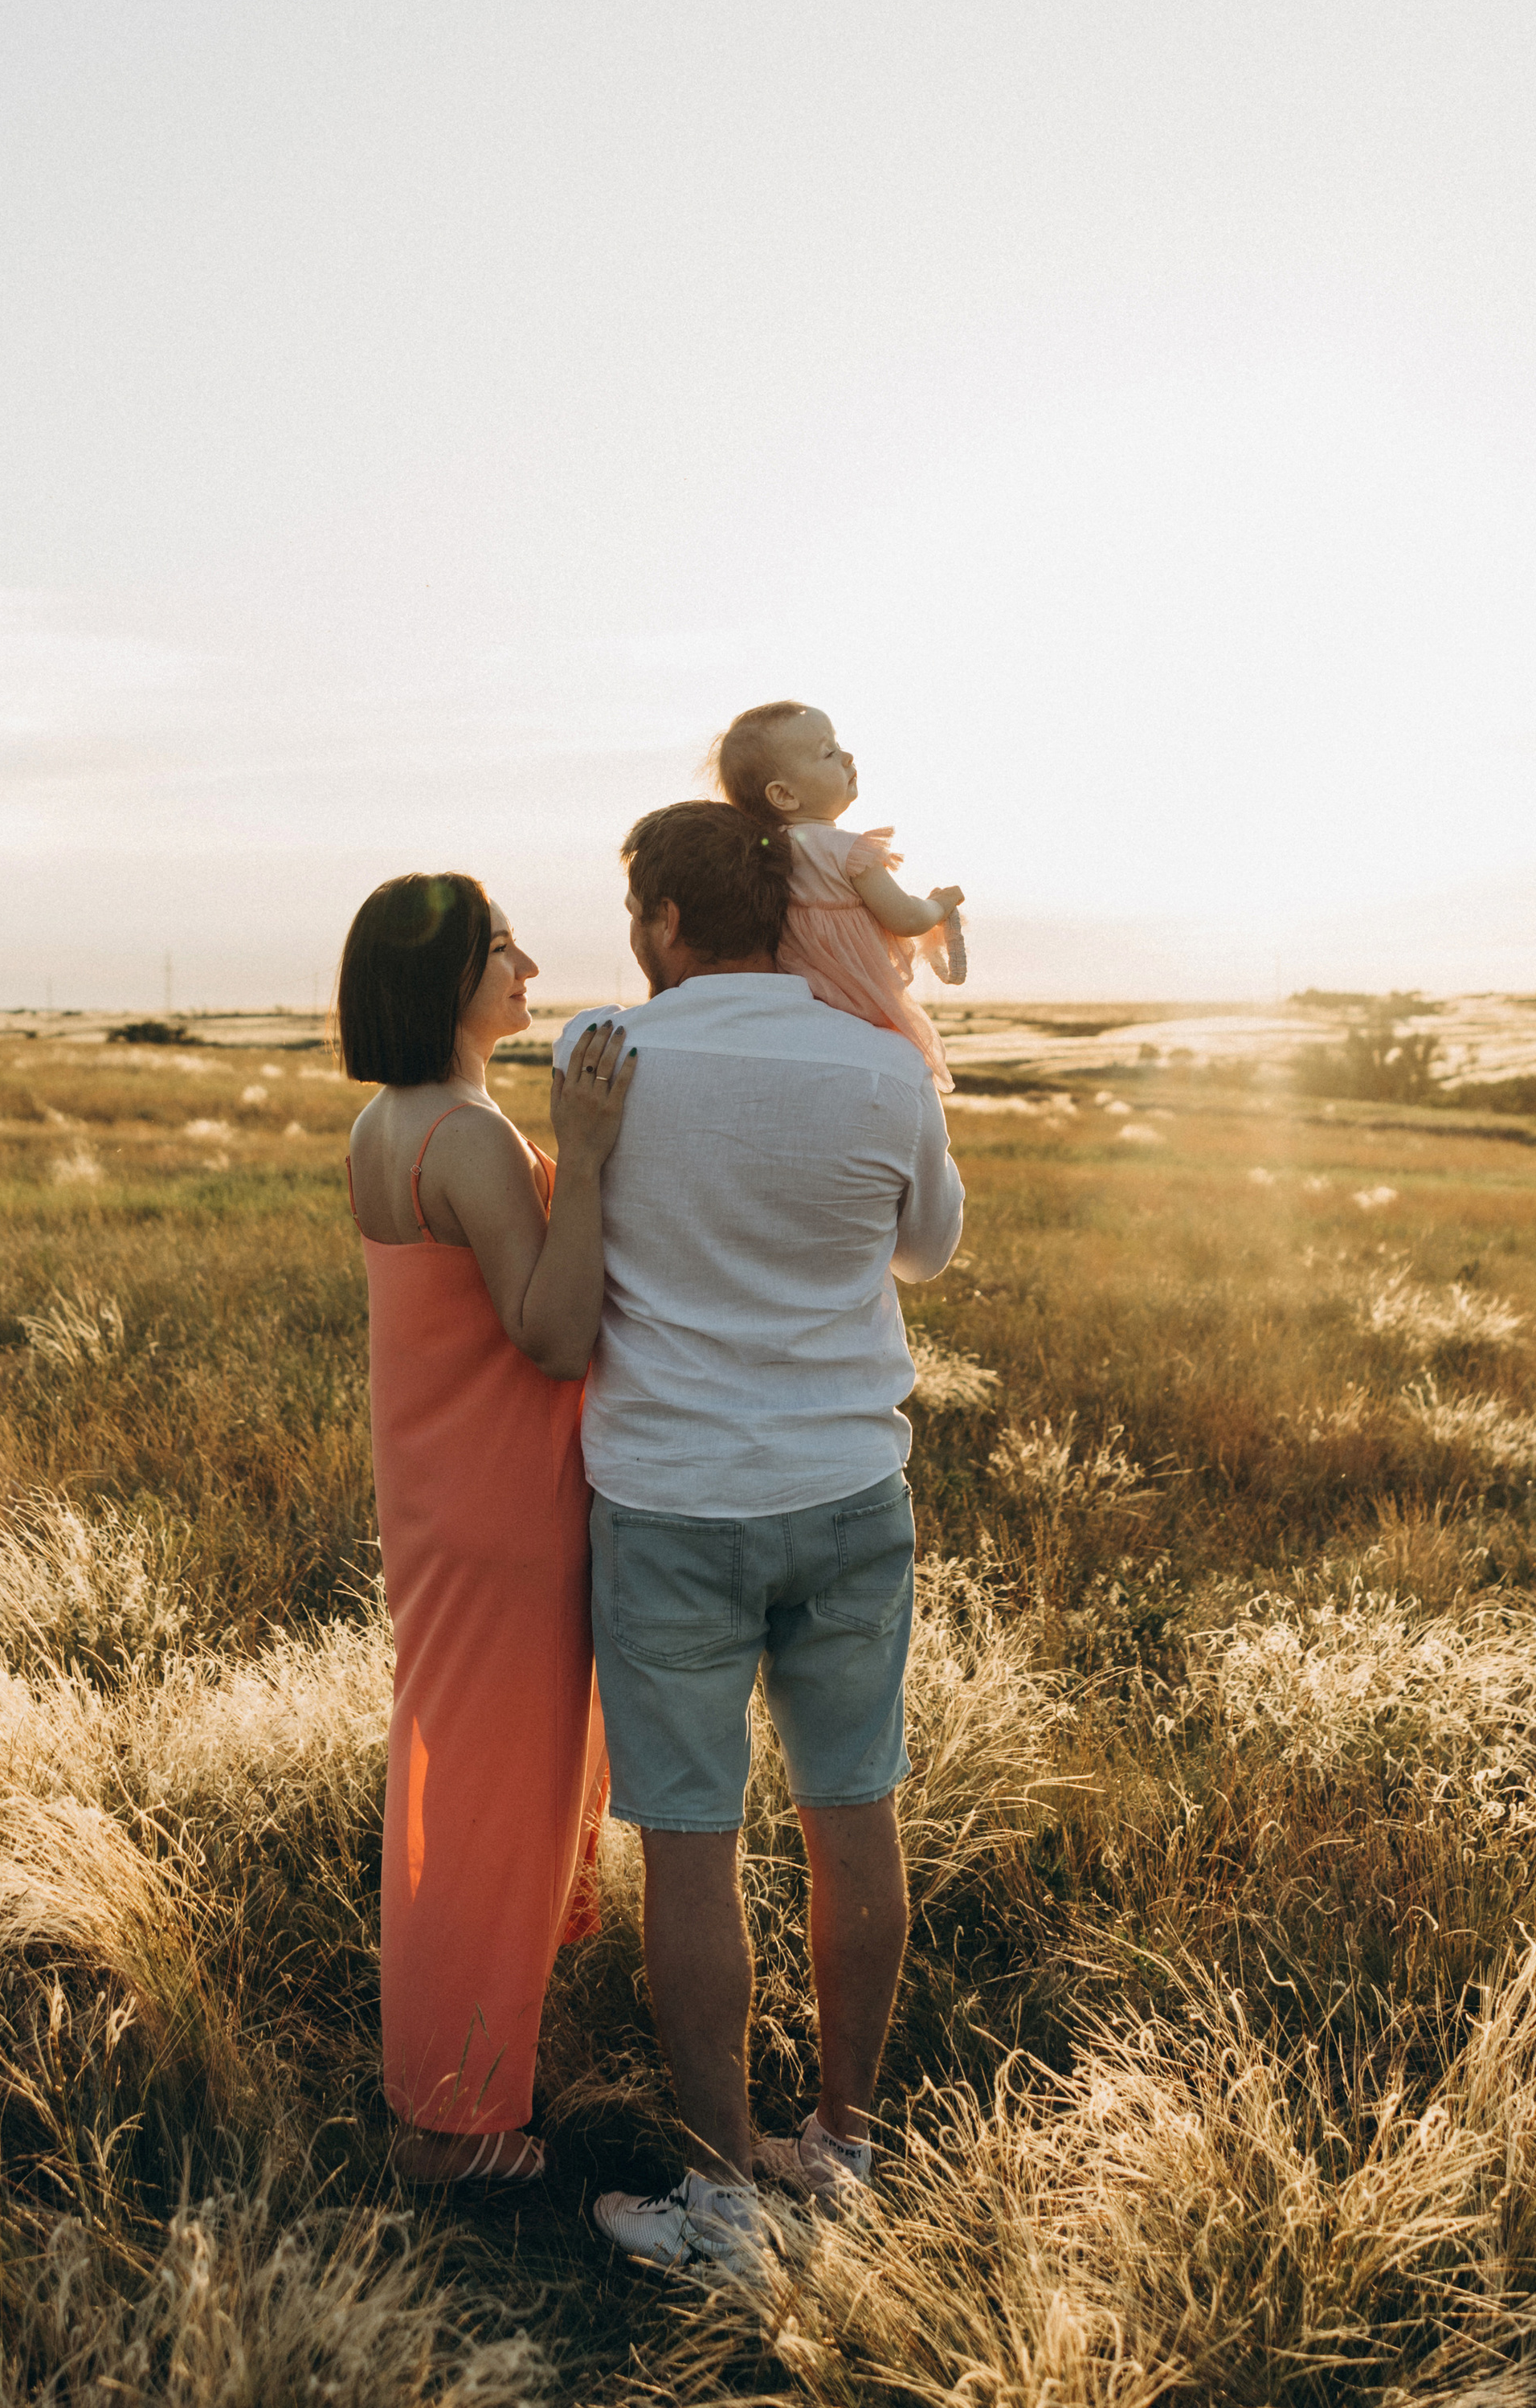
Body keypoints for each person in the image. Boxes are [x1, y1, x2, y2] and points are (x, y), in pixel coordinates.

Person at [546, 802, 966, 2267]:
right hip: (846, 1491)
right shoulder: (880, 1064)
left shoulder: (601, 1051)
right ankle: (842, 2145)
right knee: (855, 1815)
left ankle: (724, 2192)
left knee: (690, 1847)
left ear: (662, 923)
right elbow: (927, 1248)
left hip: (669, 1503)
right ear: (789, 910)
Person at [341, 871, 635, 2188]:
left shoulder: (387, 1121)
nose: (528, 963)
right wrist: (594, 1155)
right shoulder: (464, 1134)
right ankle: (452, 2125)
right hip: (508, 1506)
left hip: (447, 1492)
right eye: (503, 945)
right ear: (447, 978)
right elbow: (553, 1328)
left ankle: (455, 2078)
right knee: (486, 1803)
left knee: (456, 1778)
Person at [712, 700, 965, 1092]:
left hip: (795, 990)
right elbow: (906, 919)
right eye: (828, 752)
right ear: (783, 795)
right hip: (854, 990)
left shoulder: (764, 854)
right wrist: (941, 904)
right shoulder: (848, 852)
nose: (847, 756)